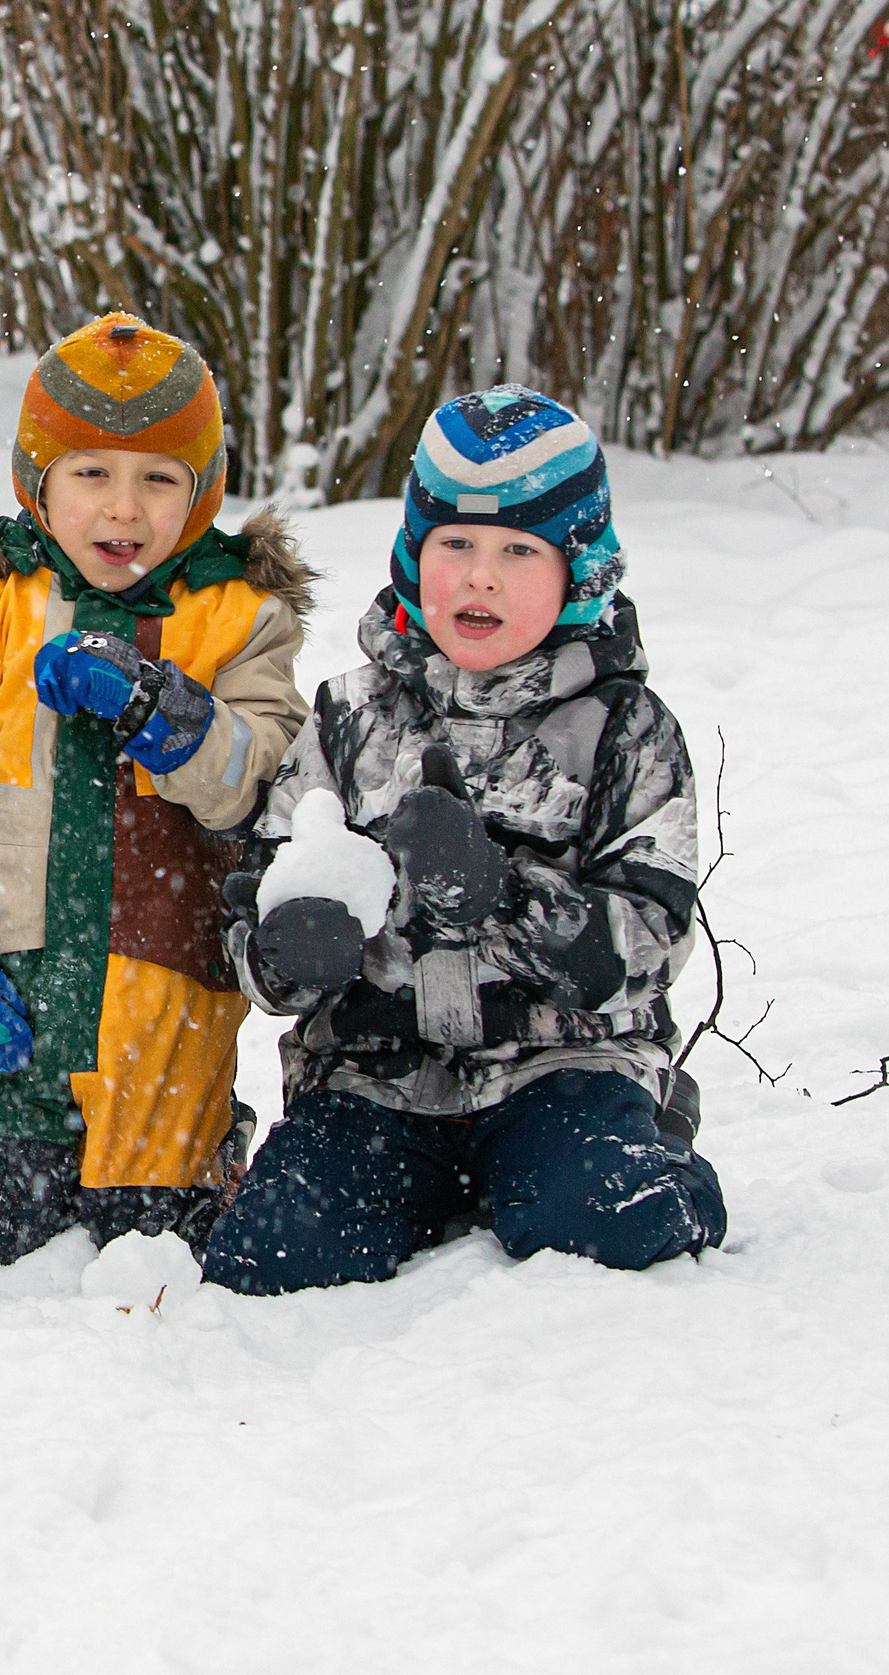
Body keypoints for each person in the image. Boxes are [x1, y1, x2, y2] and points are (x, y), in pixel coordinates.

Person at [203, 385, 727, 1295]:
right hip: (375, 1079)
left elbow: (649, 941)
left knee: (604, 1220)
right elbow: (256, 900)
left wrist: (505, 897)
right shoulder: (349, 717)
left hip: (562, 1064)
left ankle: (650, 1139)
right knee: (272, 1254)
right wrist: (286, 951)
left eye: (519, 550)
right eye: (456, 544)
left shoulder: (626, 729)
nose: (480, 575)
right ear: (415, 554)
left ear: (580, 570)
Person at [0, 311, 314, 1268]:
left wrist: (170, 713)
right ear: (39, 482)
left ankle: (208, 1154)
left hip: (164, 1019)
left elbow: (264, 781)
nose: (124, 509)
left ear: (203, 490)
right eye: (91, 474)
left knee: (159, 1243)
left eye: (158, 478)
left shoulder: (237, 621)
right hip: (3, 1000)